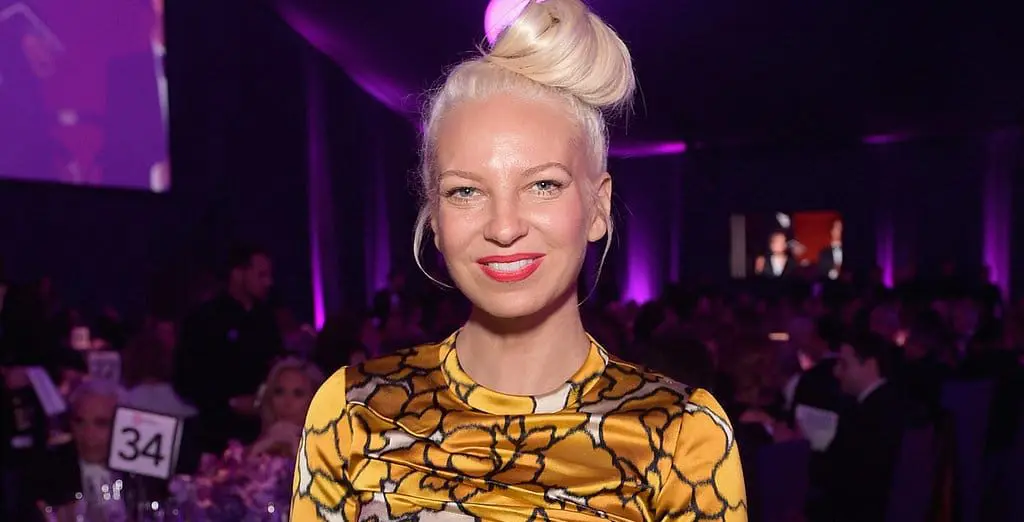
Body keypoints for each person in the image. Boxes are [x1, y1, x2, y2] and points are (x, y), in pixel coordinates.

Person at [291, 1, 746, 520]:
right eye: (465, 191)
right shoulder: (353, 411)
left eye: (543, 185)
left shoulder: (681, 434)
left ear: (598, 206)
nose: (504, 227)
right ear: (435, 217)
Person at [174, 244, 283, 454]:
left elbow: (276, 368)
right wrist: (228, 403)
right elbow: (185, 379)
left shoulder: (267, 320)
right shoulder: (204, 319)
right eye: (261, 275)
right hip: (215, 436)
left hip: (263, 432)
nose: (268, 282)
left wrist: (262, 400)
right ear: (238, 273)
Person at [823, 333, 905, 522]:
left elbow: (840, 480)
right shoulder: (897, 402)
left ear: (869, 365)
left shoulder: (864, 417)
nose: (836, 372)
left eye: (844, 364)